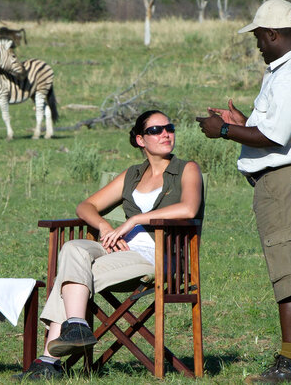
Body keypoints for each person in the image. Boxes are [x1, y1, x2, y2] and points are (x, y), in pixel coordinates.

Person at [196, 0, 291, 383]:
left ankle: (289, 364)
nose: (257, 44)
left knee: (289, 270)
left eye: (259, 37)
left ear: (273, 34)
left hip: (285, 182)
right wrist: (244, 122)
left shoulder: (290, 74)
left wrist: (223, 130)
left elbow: (273, 136)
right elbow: (278, 126)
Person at [16, 110, 204, 380]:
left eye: (169, 128)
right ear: (141, 140)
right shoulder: (133, 175)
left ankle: (49, 361)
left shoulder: (186, 170)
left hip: (159, 256)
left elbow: (189, 208)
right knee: (73, 249)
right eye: (155, 130)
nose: (165, 133)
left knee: (71, 278)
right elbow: (86, 206)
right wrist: (104, 226)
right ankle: (78, 326)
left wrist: (136, 219)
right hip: (121, 250)